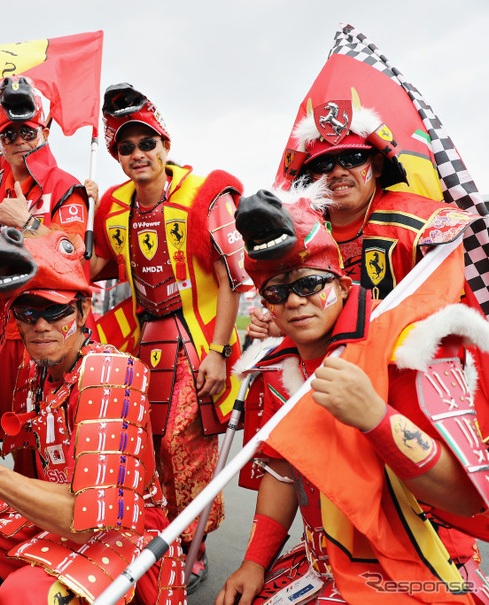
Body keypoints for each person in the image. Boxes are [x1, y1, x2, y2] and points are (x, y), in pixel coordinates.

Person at [216, 187, 489, 604]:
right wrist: (253, 562)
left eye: (310, 283)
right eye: (276, 291)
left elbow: (466, 498)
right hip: (321, 564)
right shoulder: (276, 367)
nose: (294, 301)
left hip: (417, 566)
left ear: (342, 284)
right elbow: (283, 471)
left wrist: (375, 418)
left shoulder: (411, 344)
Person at [0, 228, 186, 604]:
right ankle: (45, 571)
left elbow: (92, 521)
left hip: (120, 533)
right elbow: (22, 471)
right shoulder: (33, 369)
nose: (41, 325)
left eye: (56, 311)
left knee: (21, 595)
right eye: (27, 312)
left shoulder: (111, 373)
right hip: (58, 517)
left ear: (84, 310)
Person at [87, 82, 251, 590]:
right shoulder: (112, 206)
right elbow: (91, 267)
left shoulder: (205, 197)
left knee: (185, 442)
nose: (138, 154)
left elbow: (231, 278)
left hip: (195, 336)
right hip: (138, 337)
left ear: (165, 144)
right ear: (116, 156)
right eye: (126, 147)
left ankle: (193, 542)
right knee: (141, 442)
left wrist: (219, 353)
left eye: (146, 143)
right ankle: (153, 534)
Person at [247, 96, 477, 340]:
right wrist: (276, 325)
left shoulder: (427, 225)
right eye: (323, 164)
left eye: (354, 158)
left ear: (377, 166)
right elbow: (288, 302)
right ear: (309, 177)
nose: (337, 172)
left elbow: (440, 307)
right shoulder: (293, 233)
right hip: (321, 367)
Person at [0, 75, 89, 444]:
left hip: (47, 326)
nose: (18, 142)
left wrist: (28, 225)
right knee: (9, 436)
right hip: (2, 330)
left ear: (44, 132)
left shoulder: (64, 185)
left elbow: (75, 257)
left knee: (53, 438)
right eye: (8, 135)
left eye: (26, 132)